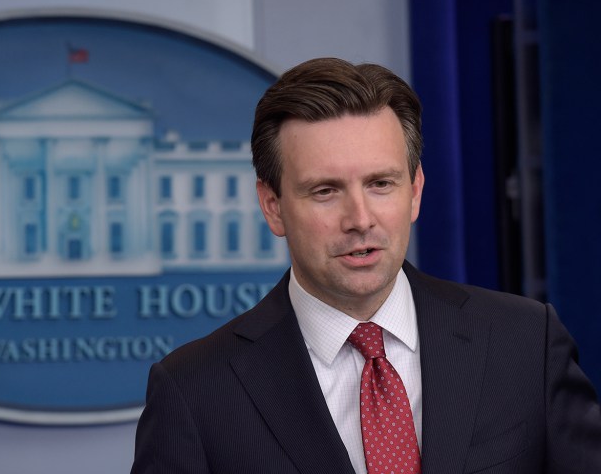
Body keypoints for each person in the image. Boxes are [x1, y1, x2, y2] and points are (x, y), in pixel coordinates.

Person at [130, 57, 601, 473]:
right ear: (272, 206)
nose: (360, 219)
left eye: (381, 184)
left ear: (414, 191)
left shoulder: (526, 344)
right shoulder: (194, 390)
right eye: (325, 191)